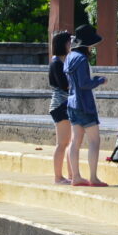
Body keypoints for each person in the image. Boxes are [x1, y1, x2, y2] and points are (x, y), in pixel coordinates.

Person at [64, 24, 109, 187]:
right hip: (85, 104)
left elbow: (75, 82)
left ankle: (75, 176)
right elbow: (84, 83)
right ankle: (93, 178)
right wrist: (99, 80)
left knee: (75, 141)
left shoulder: (70, 57)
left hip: (72, 103)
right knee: (94, 141)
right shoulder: (82, 59)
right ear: (87, 44)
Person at [48, 30, 73, 185]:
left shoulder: (62, 61)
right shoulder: (57, 62)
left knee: (69, 142)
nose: (71, 45)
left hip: (63, 105)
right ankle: (58, 177)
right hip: (60, 105)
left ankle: (71, 175)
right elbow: (64, 86)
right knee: (63, 143)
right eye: (69, 42)